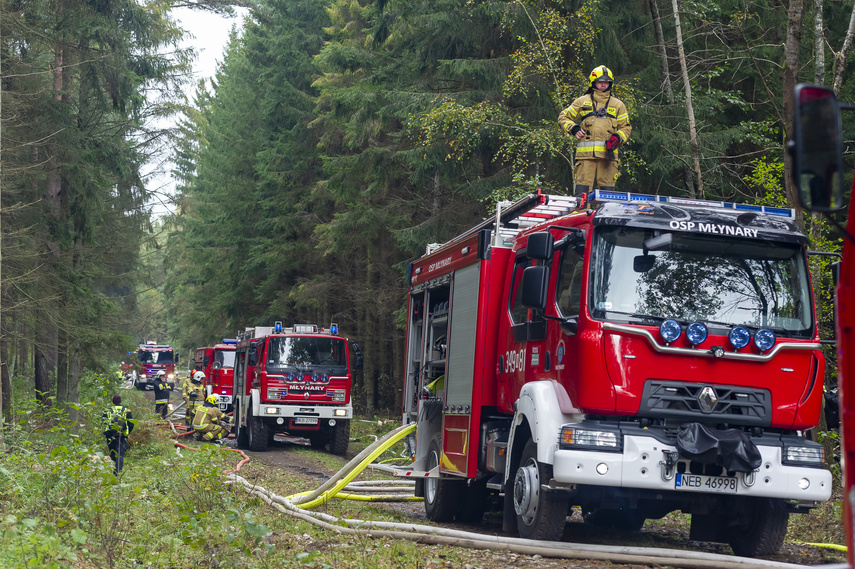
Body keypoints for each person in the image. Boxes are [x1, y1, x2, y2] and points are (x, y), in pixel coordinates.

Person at [558, 65, 632, 196]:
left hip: (608, 157)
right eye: (600, 82)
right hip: (585, 158)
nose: (603, 85)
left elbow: (626, 127)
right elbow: (563, 117)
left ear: (610, 83)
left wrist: (618, 138)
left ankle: (605, 216)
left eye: (606, 82)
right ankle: (581, 216)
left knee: (607, 195)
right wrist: (573, 128)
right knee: (582, 193)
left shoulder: (618, 105)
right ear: (593, 82)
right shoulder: (582, 101)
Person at [102, 394, 134, 475]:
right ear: (120, 401)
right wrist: (127, 433)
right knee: (120, 454)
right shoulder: (126, 410)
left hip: (110, 436)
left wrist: (107, 433)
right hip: (122, 436)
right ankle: (117, 473)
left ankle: (112, 471)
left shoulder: (107, 411)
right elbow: (131, 424)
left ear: (113, 401)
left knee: (112, 453)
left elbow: (103, 423)